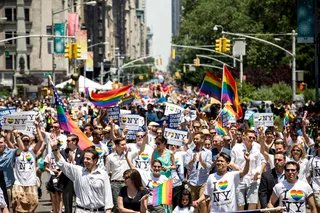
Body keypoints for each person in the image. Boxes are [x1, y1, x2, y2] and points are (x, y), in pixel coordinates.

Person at [51, 138, 113, 213]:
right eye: (84, 158)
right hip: (81, 210)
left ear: (95, 160)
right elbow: (62, 164)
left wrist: (108, 210)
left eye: (88, 159)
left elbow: (108, 196)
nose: (85, 161)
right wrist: (54, 149)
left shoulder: (103, 174)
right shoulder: (78, 171)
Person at [12, 119, 43, 213]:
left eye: (27, 141)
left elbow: (41, 141)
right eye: (24, 141)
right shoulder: (17, 152)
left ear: (29, 142)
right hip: (19, 183)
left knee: (33, 203)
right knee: (17, 204)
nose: (25, 143)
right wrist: (11, 131)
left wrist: (37, 127)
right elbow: (9, 142)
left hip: (31, 182)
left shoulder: (32, 152)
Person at [184, 132, 212, 213]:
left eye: (197, 139)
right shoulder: (189, 152)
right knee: (193, 204)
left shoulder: (208, 152)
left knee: (203, 202)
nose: (195, 140)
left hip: (203, 181)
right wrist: (192, 160)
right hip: (192, 182)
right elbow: (187, 166)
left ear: (202, 140)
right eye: (194, 139)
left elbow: (209, 166)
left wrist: (201, 161)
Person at [59, 134, 85, 213]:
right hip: (67, 181)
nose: (66, 142)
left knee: (80, 203)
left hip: (78, 181)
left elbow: (82, 167)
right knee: (67, 203)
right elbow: (62, 165)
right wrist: (69, 161)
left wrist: (73, 160)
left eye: (68, 141)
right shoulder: (63, 152)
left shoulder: (82, 153)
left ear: (74, 142)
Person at [105, 137, 130, 213]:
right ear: (116, 145)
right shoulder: (110, 157)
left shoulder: (128, 156)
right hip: (115, 184)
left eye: (125, 144)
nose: (124, 146)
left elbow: (141, 150)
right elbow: (107, 172)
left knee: (127, 204)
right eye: (122, 145)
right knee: (117, 206)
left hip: (127, 183)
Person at [0, 133, 23, 207]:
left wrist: (17, 136)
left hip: (8, 185)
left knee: (8, 206)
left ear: (5, 143)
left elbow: (21, 148)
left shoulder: (11, 152)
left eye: (1, 142)